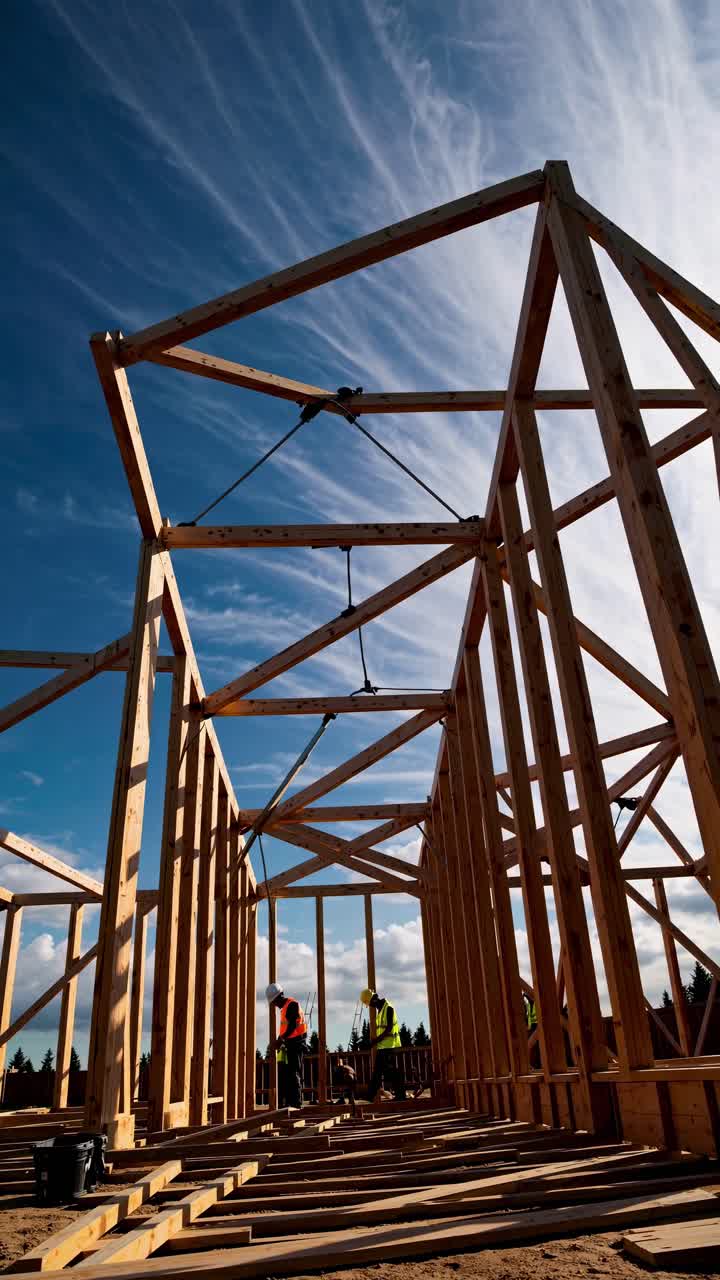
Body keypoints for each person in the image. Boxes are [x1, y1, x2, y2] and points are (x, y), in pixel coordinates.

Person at [361, 988, 406, 1101]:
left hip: (389, 1046)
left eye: (369, 1004)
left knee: (386, 1072)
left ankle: (399, 1095)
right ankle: (371, 1096)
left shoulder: (388, 1008)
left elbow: (389, 1029)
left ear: (372, 1000)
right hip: (384, 1046)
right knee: (380, 1071)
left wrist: (374, 1042)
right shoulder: (381, 1010)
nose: (370, 1006)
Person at [266, 982, 307, 1108]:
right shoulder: (285, 1008)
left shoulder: (292, 1005)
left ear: (278, 997)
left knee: (294, 1073)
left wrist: (281, 1039)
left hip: (297, 1044)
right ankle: (289, 1102)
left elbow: (293, 1025)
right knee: (288, 1073)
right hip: (290, 1044)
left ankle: (296, 1104)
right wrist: (281, 1040)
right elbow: (286, 1028)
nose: (274, 1005)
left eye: (274, 1002)